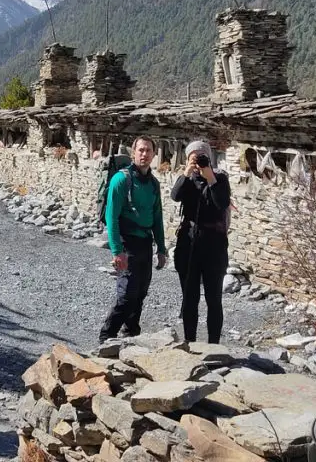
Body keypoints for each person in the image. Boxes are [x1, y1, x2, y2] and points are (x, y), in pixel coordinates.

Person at [99, 136, 167, 343]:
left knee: (140, 293)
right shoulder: (121, 180)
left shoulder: (153, 184)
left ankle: (130, 336)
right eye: (141, 150)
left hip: (145, 243)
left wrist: (161, 249)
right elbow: (111, 216)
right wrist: (116, 250)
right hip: (126, 241)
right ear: (133, 153)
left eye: (148, 151)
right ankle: (106, 337)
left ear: (154, 155)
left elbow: (157, 217)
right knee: (127, 294)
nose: (144, 154)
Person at [171, 140, 230, 344]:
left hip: (214, 246)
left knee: (214, 299)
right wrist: (187, 172)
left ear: (210, 158)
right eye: (193, 157)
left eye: (201, 156)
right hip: (188, 244)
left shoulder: (220, 178)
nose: (198, 161)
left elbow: (222, 203)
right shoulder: (187, 179)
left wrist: (210, 177)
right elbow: (175, 196)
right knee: (189, 297)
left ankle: (214, 346)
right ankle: (190, 342)